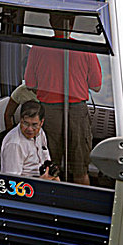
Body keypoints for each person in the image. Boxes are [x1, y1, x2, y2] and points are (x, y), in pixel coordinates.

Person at [24, 13, 102, 185]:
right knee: (80, 169)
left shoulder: (38, 48)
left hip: (48, 112)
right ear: (73, 24)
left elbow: (30, 83)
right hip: (77, 111)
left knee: (49, 166)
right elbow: (96, 85)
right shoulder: (85, 49)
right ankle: (82, 205)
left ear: (51, 23)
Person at [1, 101, 59, 180]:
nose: (29, 129)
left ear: (41, 122)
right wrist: (42, 182)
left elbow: (46, 158)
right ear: (21, 119)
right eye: (25, 123)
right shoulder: (14, 144)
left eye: (34, 125)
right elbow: (11, 182)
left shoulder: (40, 132)